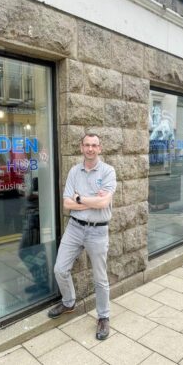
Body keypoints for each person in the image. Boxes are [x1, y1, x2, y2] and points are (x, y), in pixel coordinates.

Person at [47, 133, 116, 340]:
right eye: (87, 145)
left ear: (100, 148)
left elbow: (104, 204)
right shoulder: (74, 172)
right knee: (60, 268)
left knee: (100, 278)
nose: (90, 149)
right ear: (81, 147)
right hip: (75, 227)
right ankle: (69, 302)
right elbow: (67, 203)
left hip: (98, 230)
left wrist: (79, 198)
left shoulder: (108, 171)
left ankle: (103, 317)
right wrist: (91, 200)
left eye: (94, 145)